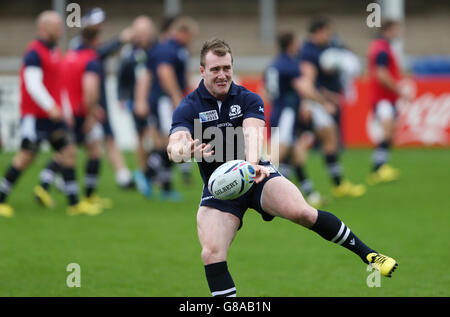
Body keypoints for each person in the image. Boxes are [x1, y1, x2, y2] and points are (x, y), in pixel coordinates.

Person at [167, 38, 398, 297]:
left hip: (256, 175)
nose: (222, 75)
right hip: (220, 188)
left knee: (304, 213)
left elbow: (253, 133)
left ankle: (370, 256)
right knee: (211, 253)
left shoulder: (247, 99)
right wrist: (184, 150)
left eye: (226, 68)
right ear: (202, 71)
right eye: (215, 69)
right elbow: (174, 145)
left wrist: (251, 166)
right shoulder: (189, 106)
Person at [0, 11, 100, 217]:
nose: (61, 30)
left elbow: (59, 85)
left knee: (69, 150)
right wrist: (49, 106)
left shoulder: (54, 51)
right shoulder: (34, 53)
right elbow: (32, 84)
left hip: (54, 118)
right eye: (57, 26)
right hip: (35, 117)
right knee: (26, 157)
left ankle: (74, 203)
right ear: (44, 28)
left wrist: (64, 110)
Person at [297, 16, 366, 199]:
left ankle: (338, 184)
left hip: (317, 101)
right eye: (327, 32)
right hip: (313, 103)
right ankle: (334, 184)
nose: (329, 36)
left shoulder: (323, 48)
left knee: (328, 140)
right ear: (318, 32)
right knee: (311, 142)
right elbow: (307, 81)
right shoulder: (309, 52)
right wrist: (319, 101)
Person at [136, 16, 198, 200]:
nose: (192, 40)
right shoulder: (168, 48)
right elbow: (164, 72)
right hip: (164, 101)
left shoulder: (176, 49)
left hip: (166, 100)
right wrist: (175, 96)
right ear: (182, 32)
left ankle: (165, 188)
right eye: (191, 36)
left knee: (171, 143)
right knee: (168, 143)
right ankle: (146, 174)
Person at [265, 31, 325, 208]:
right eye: (296, 42)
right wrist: (323, 103)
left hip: (277, 111)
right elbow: (304, 87)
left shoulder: (274, 64)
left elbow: (266, 91)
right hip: (286, 114)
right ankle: (254, 192)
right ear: (291, 44)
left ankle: (311, 195)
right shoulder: (290, 65)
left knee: (297, 154)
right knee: (273, 156)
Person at [366, 19, 407, 184]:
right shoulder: (382, 49)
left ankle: (381, 167)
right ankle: (378, 169)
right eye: (396, 29)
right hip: (383, 97)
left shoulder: (380, 47)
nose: (398, 33)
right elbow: (381, 74)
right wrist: (399, 90)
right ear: (388, 30)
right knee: (387, 132)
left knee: (388, 132)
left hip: (385, 97)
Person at [117, 15, 157, 187]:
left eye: (147, 31)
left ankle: (153, 170)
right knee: (141, 136)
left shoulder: (157, 49)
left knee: (156, 137)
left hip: (155, 100)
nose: (144, 35)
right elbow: (122, 77)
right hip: (136, 102)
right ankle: (143, 172)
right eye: (140, 31)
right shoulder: (129, 53)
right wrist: (122, 98)